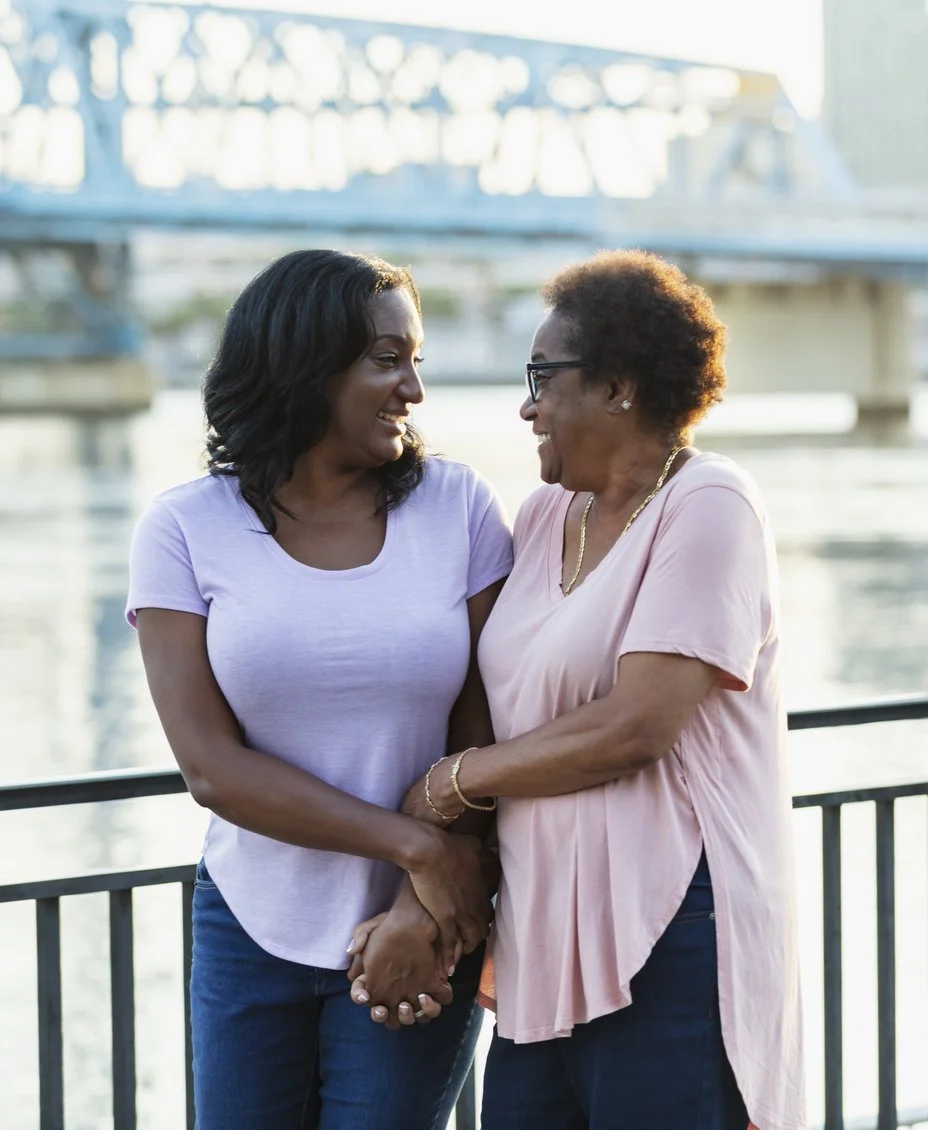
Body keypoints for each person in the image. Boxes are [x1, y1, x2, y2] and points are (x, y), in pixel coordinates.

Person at [398, 250, 806, 1130]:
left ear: (619, 388)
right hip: (546, 924)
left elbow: (635, 726)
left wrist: (451, 783)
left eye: (543, 378)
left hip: (671, 915)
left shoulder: (709, 505)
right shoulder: (545, 517)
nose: (526, 405)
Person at [125, 249, 512, 1130]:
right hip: (249, 929)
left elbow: (487, 742)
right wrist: (415, 849)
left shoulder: (458, 508)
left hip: (424, 928)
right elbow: (212, 769)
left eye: (417, 360)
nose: (413, 388)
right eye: (387, 359)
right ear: (303, 365)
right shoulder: (184, 529)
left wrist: (422, 903)